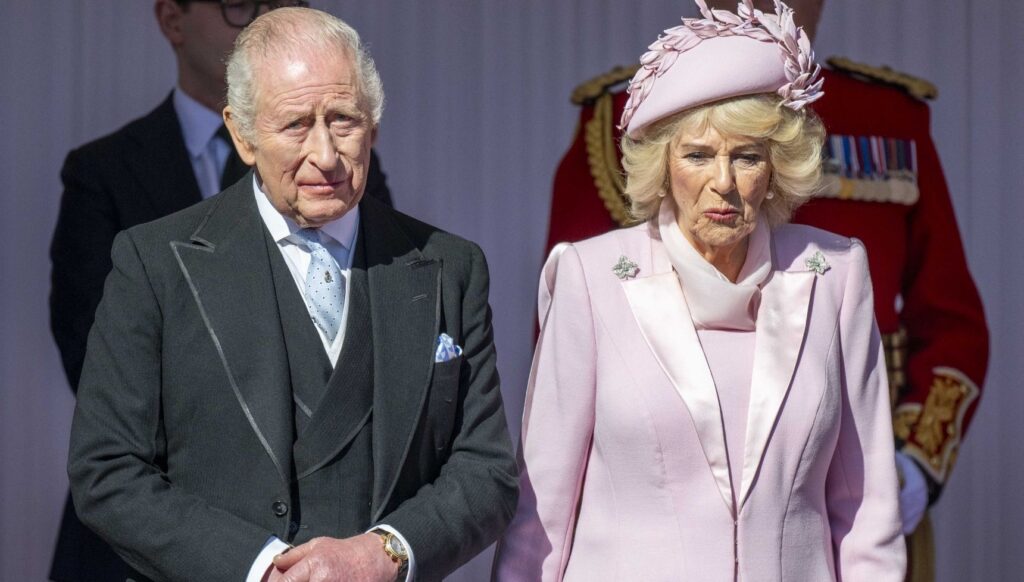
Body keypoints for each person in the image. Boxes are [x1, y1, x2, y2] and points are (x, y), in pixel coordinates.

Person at [540, 1, 988, 579]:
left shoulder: (889, 117)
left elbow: (952, 323)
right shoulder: (623, 116)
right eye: (700, 156)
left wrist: (913, 464)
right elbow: (571, 373)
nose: (724, 184)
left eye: (748, 158)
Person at [67, 7, 517, 582]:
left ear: (374, 126)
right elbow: (106, 469)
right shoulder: (155, 265)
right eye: (296, 125)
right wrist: (259, 570)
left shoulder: (449, 267)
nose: (326, 155)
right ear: (242, 135)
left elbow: (486, 469)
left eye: (344, 120)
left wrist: (386, 553)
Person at [48, 1, 396, 579]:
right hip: (150, 544)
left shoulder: (338, 167)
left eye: (279, 4)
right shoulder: (102, 172)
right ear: (172, 19)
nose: (263, 21)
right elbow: (93, 364)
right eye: (239, 5)